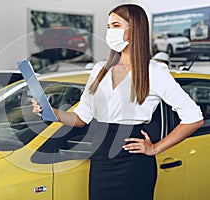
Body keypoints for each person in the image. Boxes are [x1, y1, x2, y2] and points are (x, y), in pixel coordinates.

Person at [32, 4, 204, 200]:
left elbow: (194, 118)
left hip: (133, 165)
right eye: (108, 26)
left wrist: (156, 148)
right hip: (101, 160)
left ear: (135, 29)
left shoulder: (154, 72)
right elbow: (82, 117)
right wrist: (52, 112)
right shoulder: (100, 70)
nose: (110, 32)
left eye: (116, 25)